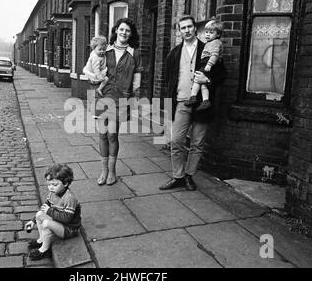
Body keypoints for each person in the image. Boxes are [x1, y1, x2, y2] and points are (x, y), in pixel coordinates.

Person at [159, 16, 226, 191]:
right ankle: (178, 176)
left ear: (196, 29)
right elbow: (169, 80)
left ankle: (189, 176)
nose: (187, 30)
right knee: (176, 141)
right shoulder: (173, 53)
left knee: (197, 143)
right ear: (179, 31)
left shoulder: (208, 48)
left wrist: (208, 79)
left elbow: (222, 74)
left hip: (202, 104)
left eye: (190, 27)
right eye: (183, 28)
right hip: (182, 102)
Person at [94, 18, 143, 186]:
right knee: (102, 134)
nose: (124, 33)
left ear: (131, 34)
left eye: (127, 31)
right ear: (116, 30)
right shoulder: (104, 50)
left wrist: (133, 94)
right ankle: (103, 170)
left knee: (112, 135)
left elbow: (137, 77)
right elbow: (93, 67)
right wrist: (94, 79)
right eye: (121, 29)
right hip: (103, 95)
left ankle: (112, 171)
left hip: (122, 97)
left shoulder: (134, 53)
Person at [24, 164, 81, 260]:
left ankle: (44, 249)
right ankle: (41, 239)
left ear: (65, 183)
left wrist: (49, 211)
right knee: (39, 214)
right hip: (60, 222)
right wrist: (33, 221)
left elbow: (67, 218)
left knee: (46, 223)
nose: (51, 187)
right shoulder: (53, 193)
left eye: (54, 185)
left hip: (69, 229)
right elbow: (44, 208)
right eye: (49, 184)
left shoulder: (69, 198)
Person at [185, 19, 224, 111]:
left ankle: (193, 96)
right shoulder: (209, 43)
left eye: (211, 32)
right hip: (205, 62)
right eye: (206, 32)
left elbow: (215, 55)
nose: (207, 34)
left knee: (197, 80)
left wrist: (209, 64)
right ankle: (205, 100)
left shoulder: (216, 43)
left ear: (218, 34)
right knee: (202, 83)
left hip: (208, 63)